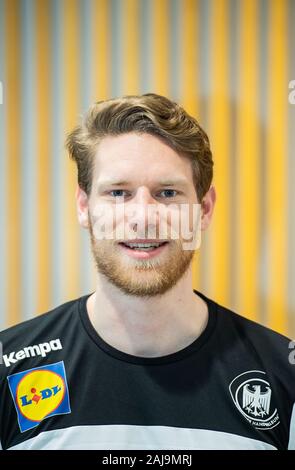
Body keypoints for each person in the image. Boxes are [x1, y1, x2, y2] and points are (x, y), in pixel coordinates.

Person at [0, 93, 294, 450]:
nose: (143, 217)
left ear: (204, 210)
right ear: (84, 207)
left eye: (167, 193)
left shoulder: (284, 375)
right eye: (119, 193)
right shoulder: (8, 368)